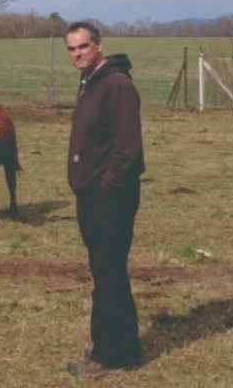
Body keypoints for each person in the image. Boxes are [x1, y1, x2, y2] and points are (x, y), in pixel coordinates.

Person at [63, 21, 145, 378]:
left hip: (109, 196)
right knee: (104, 271)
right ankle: (113, 345)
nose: (77, 53)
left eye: (82, 46)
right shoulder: (90, 82)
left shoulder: (116, 85)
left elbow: (127, 149)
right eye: (71, 48)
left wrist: (106, 185)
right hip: (91, 193)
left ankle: (113, 357)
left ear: (97, 45)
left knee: (109, 272)